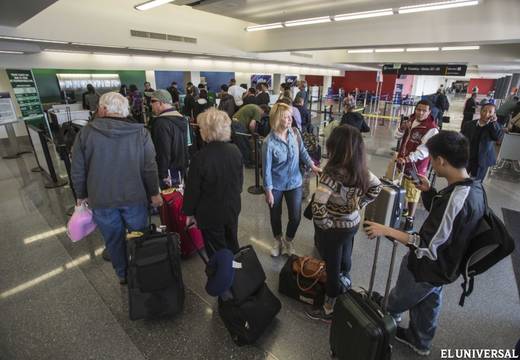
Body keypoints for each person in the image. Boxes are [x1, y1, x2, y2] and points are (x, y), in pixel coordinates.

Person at [364, 131, 485, 356]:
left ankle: (388, 314)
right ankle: (420, 341)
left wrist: (387, 230)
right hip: (447, 266)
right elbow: (449, 224)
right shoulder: (473, 187)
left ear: (441, 161)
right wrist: (430, 194)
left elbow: (427, 246)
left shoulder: (456, 200)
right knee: (429, 302)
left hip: (427, 266)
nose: (431, 164)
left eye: (432, 159)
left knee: (401, 296)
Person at [71, 92, 162, 284]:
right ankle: (143, 270)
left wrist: (81, 195)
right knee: (140, 237)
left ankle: (123, 275)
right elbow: (149, 167)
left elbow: (78, 169)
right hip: (135, 197)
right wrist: (154, 193)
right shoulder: (140, 133)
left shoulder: (85, 133)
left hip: (101, 199)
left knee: (113, 240)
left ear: (103, 109)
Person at [306, 125, 382, 322]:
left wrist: (326, 224)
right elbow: (376, 187)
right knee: (345, 256)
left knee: (331, 265)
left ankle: (329, 307)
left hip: (334, 229)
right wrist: (359, 204)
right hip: (353, 223)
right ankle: (345, 280)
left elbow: (318, 205)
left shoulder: (331, 174)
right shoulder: (362, 170)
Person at [262, 103, 321, 257]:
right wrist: (268, 191)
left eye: (290, 117)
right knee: (275, 215)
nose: (290, 120)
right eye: (286, 117)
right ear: (276, 119)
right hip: (276, 184)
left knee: (295, 216)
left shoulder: (295, 133)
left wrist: (312, 166)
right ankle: (277, 240)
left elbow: (302, 151)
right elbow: (266, 169)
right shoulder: (269, 142)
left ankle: (288, 240)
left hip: (295, 182)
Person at [183, 108, 244, 257]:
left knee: (217, 252)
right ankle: (237, 274)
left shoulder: (200, 158)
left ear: (206, 130)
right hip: (232, 208)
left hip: (210, 214)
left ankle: (222, 277)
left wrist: (189, 213)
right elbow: (240, 183)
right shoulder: (235, 150)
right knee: (232, 243)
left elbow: (193, 190)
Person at [395, 100, 439, 231]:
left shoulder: (431, 128)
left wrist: (407, 159)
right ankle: (404, 210)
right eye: (418, 109)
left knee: (414, 191)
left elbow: (423, 151)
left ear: (429, 112)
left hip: (416, 166)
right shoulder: (410, 121)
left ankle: (411, 218)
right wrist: (402, 128)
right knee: (402, 186)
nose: (420, 112)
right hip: (402, 162)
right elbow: (397, 136)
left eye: (424, 110)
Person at [149, 89, 189, 188]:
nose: (150, 104)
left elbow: (163, 151)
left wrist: (163, 175)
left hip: (168, 173)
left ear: (161, 103)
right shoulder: (183, 119)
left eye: (152, 101)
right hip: (180, 170)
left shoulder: (161, 123)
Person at [461, 103, 503, 181]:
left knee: (476, 183)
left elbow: (497, 137)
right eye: (484, 111)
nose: (486, 114)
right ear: (480, 111)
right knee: (461, 180)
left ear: (494, 114)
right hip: (467, 158)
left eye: (490, 112)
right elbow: (460, 139)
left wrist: (493, 122)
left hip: (482, 160)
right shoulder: (469, 124)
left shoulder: (494, 127)